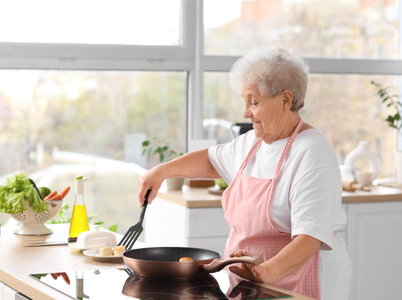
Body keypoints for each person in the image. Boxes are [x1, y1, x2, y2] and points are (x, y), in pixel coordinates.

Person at [138, 47, 351, 300]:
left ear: (285, 100)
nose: (245, 112)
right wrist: (162, 170)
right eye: (245, 100)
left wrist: (262, 275)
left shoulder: (312, 151)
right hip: (254, 281)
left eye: (254, 101)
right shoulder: (253, 143)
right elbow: (211, 161)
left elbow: (309, 239)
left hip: (300, 279)